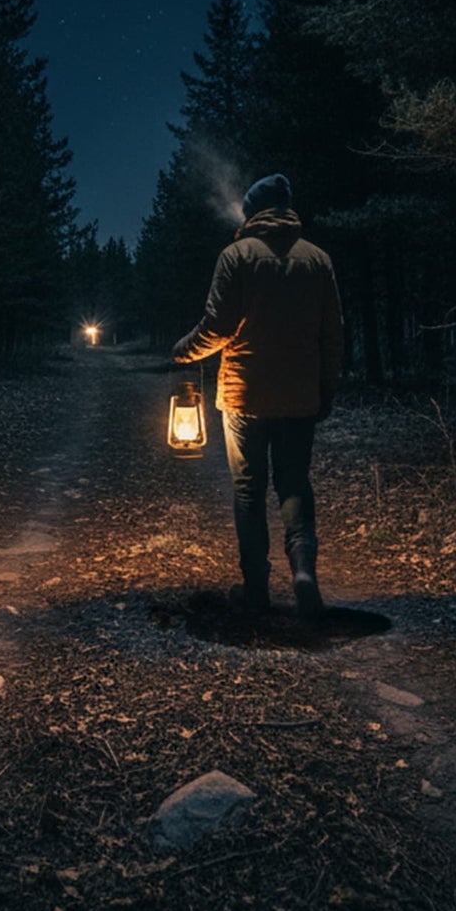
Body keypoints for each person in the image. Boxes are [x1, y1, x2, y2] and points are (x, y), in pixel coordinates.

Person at [173, 173, 343, 620]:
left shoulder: (237, 256)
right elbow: (332, 335)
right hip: (300, 396)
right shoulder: (318, 260)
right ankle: (304, 574)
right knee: (294, 483)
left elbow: (218, 327)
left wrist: (183, 350)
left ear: (253, 212)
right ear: (286, 210)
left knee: (249, 491)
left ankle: (256, 588)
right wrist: (326, 390)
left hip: (244, 396)